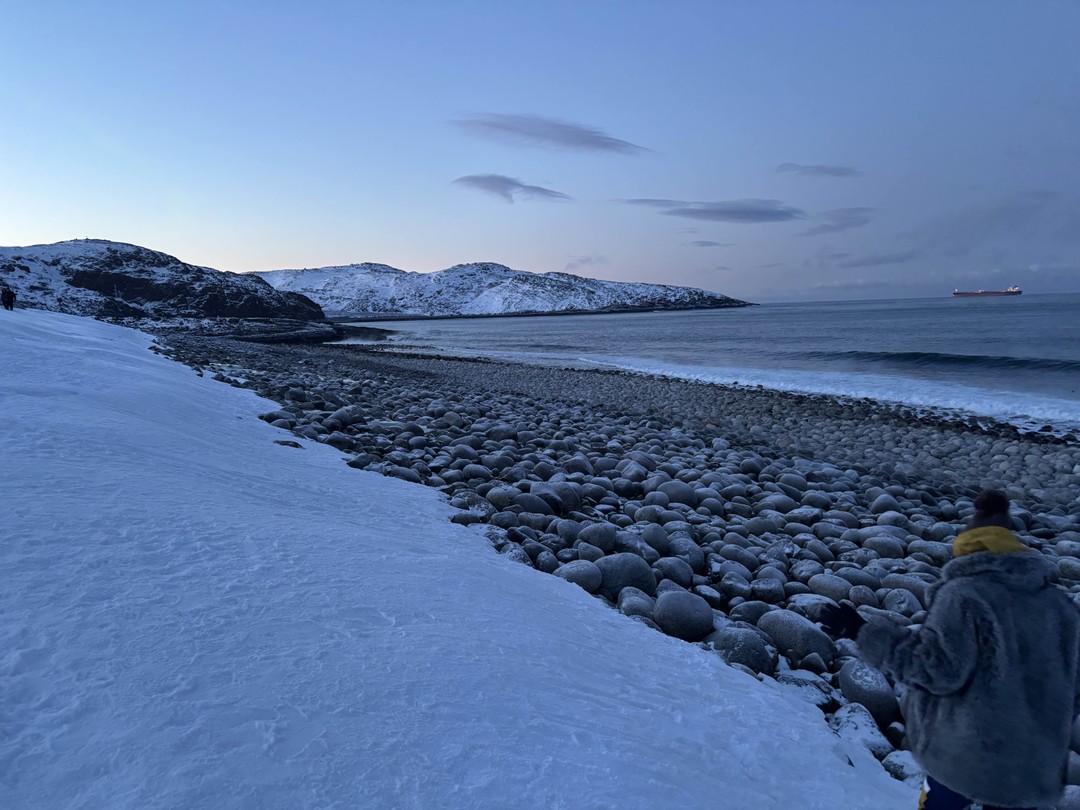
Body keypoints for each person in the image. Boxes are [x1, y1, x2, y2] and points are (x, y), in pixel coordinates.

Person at [821, 489, 1080, 810]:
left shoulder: (963, 595)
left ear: (970, 548)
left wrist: (864, 632)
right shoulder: (1059, 606)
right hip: (1031, 768)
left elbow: (937, 670)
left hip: (965, 756)